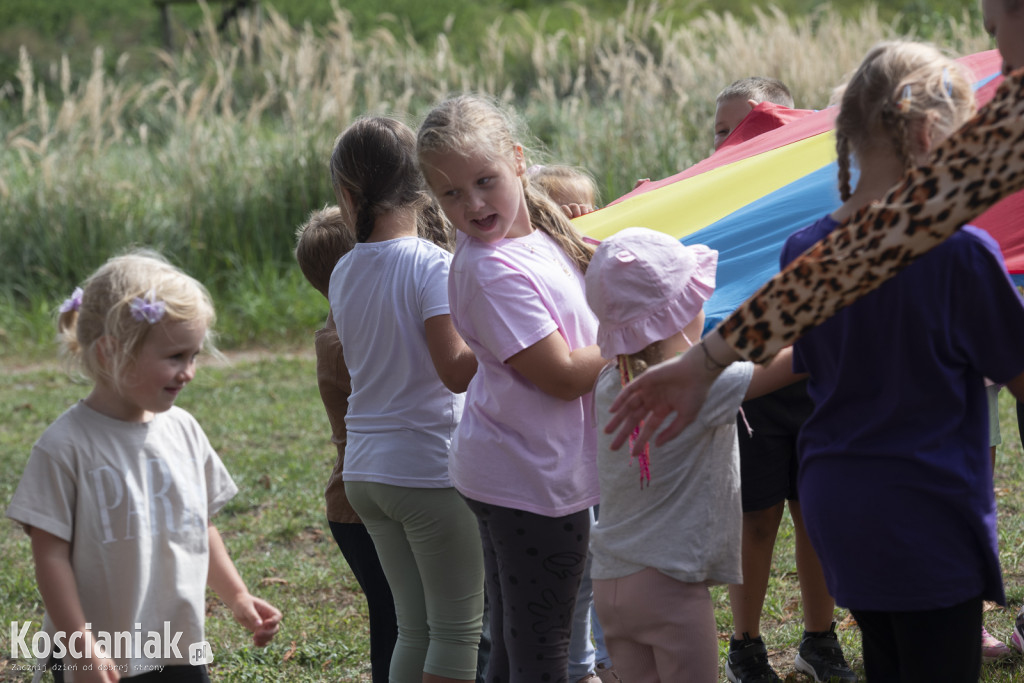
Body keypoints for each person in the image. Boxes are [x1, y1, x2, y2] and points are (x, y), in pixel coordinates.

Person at [604, 0, 1024, 451]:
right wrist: (704, 364)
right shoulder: (957, 239)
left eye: (993, 28)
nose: (999, 57)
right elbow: (869, 250)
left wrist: (705, 364)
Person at [6, 250, 282, 683]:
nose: (188, 372)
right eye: (175, 357)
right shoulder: (65, 447)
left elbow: (200, 527)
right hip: (98, 655)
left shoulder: (185, 431)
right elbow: (50, 558)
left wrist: (238, 595)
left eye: (193, 356)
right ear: (110, 353)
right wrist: (81, 646)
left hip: (177, 646)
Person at [417, 93, 607, 683]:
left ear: (519, 161)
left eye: (484, 180)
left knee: (518, 643)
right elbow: (563, 376)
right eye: (450, 193)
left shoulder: (540, 236)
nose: (472, 203)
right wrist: (638, 337)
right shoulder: (492, 270)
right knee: (540, 652)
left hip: (525, 470)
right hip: (532, 483)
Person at [585, 227, 805, 683]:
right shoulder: (698, 385)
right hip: (669, 587)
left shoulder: (610, 381)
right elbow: (798, 360)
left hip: (609, 582)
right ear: (682, 312)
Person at [328, 116, 484, 683]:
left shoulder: (344, 269)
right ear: (424, 184)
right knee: (457, 631)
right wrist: (502, 341)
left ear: (347, 193)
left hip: (366, 472)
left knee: (413, 629)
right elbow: (455, 372)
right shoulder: (431, 266)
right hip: (427, 468)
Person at [711, 78, 855, 683]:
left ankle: (818, 643)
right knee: (756, 518)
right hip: (751, 383)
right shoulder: (710, 200)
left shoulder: (818, 194)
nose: (732, 142)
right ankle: (745, 648)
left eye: (750, 129)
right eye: (721, 131)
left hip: (817, 376)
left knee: (815, 512)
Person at [294, 205, 398, 683]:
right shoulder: (343, 342)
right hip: (361, 511)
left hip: (358, 504)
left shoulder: (344, 334)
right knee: (397, 624)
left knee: (397, 622)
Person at [526, 161, 619, 683]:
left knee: (609, 558)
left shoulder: (597, 263)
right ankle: (581, 663)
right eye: (557, 211)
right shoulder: (531, 269)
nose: (570, 220)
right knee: (577, 569)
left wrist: (594, 239)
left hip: (606, 437)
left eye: (582, 208)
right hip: (564, 448)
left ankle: (610, 660)